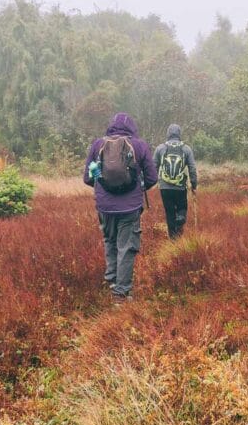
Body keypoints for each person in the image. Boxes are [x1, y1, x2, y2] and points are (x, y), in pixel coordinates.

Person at [83, 112, 157, 300]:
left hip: (104, 207)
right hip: (130, 207)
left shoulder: (97, 145)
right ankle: (121, 293)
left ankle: (113, 279)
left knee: (110, 240)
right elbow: (151, 178)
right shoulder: (139, 145)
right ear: (132, 127)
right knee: (126, 246)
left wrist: (103, 188)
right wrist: (136, 189)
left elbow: (87, 178)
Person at [153, 124, 198, 239]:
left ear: (168, 133)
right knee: (182, 206)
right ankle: (181, 217)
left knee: (169, 212)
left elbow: (154, 167)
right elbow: (192, 168)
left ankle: (173, 239)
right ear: (179, 134)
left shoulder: (160, 148)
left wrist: (151, 182)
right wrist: (194, 184)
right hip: (180, 186)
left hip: (164, 187)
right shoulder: (186, 148)